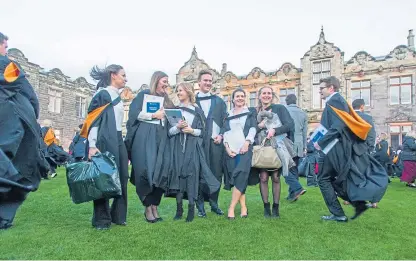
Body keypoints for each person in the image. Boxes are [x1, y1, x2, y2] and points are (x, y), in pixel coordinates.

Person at [314, 76, 388, 222]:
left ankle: (340, 213)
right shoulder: (337, 101)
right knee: (337, 178)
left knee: (324, 178)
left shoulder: (335, 101)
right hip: (338, 147)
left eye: (321, 88)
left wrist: (321, 142)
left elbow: (338, 126)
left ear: (331, 88)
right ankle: (358, 204)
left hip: (335, 147)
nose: (319, 92)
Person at [0, 32, 49, 229]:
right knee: (15, 163)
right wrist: (33, 113)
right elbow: (28, 92)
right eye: (5, 45)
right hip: (12, 117)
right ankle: (4, 215)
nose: (6, 49)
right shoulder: (7, 65)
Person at [79, 64, 129, 230]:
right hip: (104, 140)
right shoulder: (102, 94)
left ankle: (118, 216)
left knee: (121, 177)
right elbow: (93, 121)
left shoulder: (117, 96)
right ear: (113, 75)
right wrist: (92, 146)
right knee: (103, 179)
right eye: (123, 75)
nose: (125, 78)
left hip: (118, 138)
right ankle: (101, 220)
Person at [166, 83, 220, 222]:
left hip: (192, 147)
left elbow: (203, 132)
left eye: (181, 91)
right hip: (177, 148)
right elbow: (169, 132)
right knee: (178, 176)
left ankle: (191, 209)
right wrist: (178, 127)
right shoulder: (174, 111)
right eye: (177, 91)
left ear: (188, 92)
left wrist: (191, 130)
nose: (178, 93)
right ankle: (179, 210)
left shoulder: (197, 111)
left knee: (192, 177)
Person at [125, 71, 174, 223]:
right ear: (156, 80)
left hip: (162, 139)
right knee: (145, 170)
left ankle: (155, 206)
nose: (166, 84)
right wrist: (153, 115)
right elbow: (134, 114)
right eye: (164, 81)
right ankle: (147, 207)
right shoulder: (144, 95)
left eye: (167, 81)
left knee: (161, 171)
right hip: (145, 138)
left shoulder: (167, 100)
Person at [251, 86, 304, 218]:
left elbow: (290, 125)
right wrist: (260, 126)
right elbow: (250, 129)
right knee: (263, 177)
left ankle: (276, 208)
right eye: (264, 93)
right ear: (259, 96)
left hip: (277, 146)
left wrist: (275, 130)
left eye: (269, 93)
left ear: (272, 95)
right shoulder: (254, 111)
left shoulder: (280, 109)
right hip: (261, 147)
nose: (266, 95)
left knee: (275, 177)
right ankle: (266, 207)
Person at [195, 70, 227, 217]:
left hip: (215, 143)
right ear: (199, 82)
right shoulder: (192, 102)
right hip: (198, 144)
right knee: (200, 173)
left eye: (210, 81)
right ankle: (200, 205)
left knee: (216, 172)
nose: (208, 83)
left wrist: (221, 135)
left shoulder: (219, 102)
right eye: (205, 80)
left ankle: (214, 203)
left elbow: (225, 122)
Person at [223, 88, 257, 219]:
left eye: (242, 96)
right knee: (237, 178)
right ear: (233, 99)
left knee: (241, 175)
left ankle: (231, 207)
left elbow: (253, 129)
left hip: (244, 149)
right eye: (237, 96)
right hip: (231, 150)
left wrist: (247, 143)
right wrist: (226, 147)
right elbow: (225, 132)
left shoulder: (249, 113)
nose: (240, 98)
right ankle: (243, 207)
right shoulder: (228, 114)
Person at [285, 94, 308, 177]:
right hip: (299, 143)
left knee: (286, 167)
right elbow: (305, 132)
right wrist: (305, 146)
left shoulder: (284, 111)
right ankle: (295, 188)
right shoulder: (303, 113)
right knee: (295, 166)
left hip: (286, 141)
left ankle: (296, 188)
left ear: (286, 101)